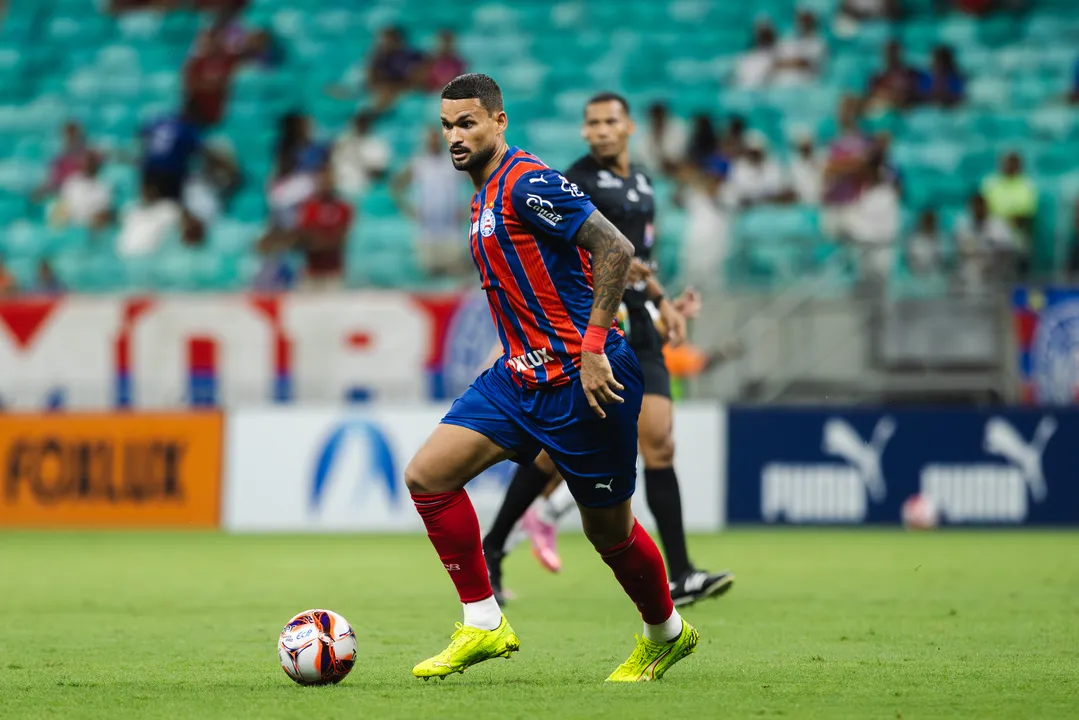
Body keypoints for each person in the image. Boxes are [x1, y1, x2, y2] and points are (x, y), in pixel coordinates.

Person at [408, 73, 698, 683]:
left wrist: (593, 344)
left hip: (582, 378)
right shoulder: (481, 194)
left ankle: (666, 633)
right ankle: (484, 623)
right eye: (446, 126)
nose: (455, 137)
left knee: (607, 530)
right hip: (518, 378)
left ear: (499, 121)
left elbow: (614, 248)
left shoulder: (527, 182)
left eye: (467, 123)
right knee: (428, 476)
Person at [481, 91, 734, 609]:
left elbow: (641, 257)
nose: (599, 130)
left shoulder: (641, 180)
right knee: (559, 448)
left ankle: (681, 573)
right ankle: (497, 541)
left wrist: (665, 302)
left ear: (629, 127)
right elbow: (590, 250)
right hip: (596, 326)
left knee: (660, 441)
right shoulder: (571, 181)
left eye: (609, 121)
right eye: (591, 122)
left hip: (639, 319)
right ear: (583, 131)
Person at [391, 129, 470, 279]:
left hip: (451, 230)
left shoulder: (454, 163)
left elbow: (478, 182)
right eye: (430, 140)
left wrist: (467, 209)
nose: (433, 143)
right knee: (428, 274)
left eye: (436, 140)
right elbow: (396, 187)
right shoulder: (419, 164)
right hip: (426, 230)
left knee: (453, 272)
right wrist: (409, 209)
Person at [294, 167, 353, 290]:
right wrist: (322, 240)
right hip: (312, 269)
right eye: (324, 182)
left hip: (336, 270)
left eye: (329, 181)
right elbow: (305, 234)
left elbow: (345, 234)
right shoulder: (310, 207)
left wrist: (325, 240)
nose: (326, 185)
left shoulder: (343, 208)